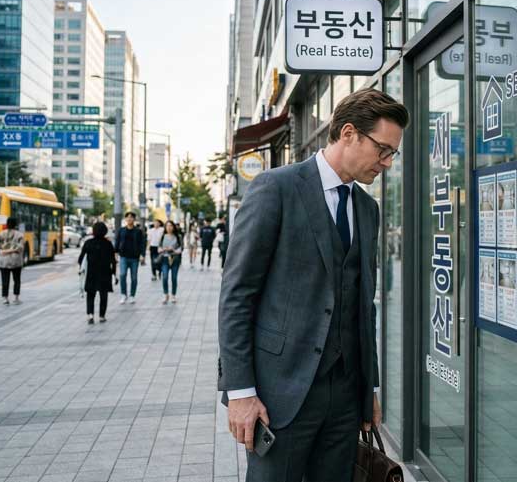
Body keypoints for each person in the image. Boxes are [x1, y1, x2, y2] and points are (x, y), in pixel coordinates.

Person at [218, 88, 408, 480]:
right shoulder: (276, 188)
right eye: (383, 150)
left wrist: (369, 389)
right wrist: (240, 392)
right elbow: (237, 296)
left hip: (345, 399)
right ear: (349, 133)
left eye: (393, 153)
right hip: (280, 395)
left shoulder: (367, 209)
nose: (388, 162)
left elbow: (364, 305)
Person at [78, 221, 117, 324]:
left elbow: (81, 259)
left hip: (91, 273)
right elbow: (113, 260)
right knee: (103, 294)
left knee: (91, 294)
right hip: (105, 273)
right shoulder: (108, 244)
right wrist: (114, 273)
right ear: (105, 231)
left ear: (93, 231)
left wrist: (81, 270)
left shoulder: (88, 243)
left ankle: (90, 315)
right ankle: (102, 316)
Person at [114, 211, 145, 304]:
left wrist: (142, 255)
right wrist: (115, 253)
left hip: (134, 257)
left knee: (134, 277)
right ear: (125, 219)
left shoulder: (138, 231)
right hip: (123, 256)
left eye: (131, 217)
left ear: (134, 219)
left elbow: (142, 244)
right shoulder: (121, 230)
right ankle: (123, 294)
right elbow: (117, 242)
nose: (129, 219)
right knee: (122, 275)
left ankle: (132, 295)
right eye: (128, 217)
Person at [0, 217, 26, 305]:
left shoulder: (2, 234)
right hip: (15, 260)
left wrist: (3, 249)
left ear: (7, 224)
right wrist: (13, 250)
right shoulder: (19, 235)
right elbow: (20, 247)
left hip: (4, 260)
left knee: (5, 280)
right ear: (15, 224)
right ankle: (16, 298)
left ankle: (5, 298)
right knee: (17, 280)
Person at [159, 220, 183, 304]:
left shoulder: (178, 236)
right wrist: (163, 249)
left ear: (173, 227)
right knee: (165, 277)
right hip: (165, 259)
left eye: (171, 226)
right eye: (167, 226)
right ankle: (166, 295)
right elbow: (159, 248)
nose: (169, 227)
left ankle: (173, 295)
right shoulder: (163, 236)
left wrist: (173, 249)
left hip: (175, 259)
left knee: (174, 278)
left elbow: (181, 249)